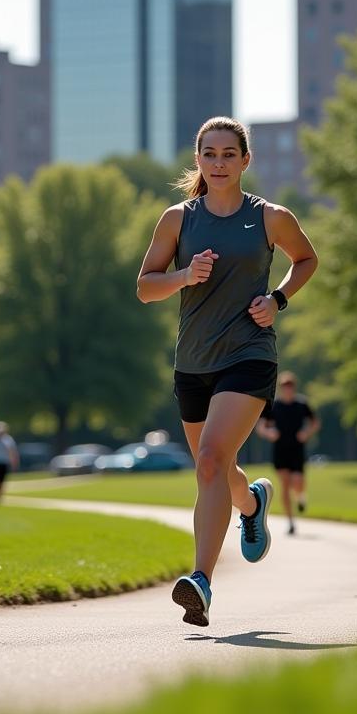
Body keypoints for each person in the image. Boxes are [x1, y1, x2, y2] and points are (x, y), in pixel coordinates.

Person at [137, 115, 318, 627]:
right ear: (198, 160)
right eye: (209, 154)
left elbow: (306, 259)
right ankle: (252, 501)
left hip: (249, 355)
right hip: (193, 363)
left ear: (245, 160)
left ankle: (201, 583)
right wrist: (182, 276)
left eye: (228, 154)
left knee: (212, 459)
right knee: (215, 468)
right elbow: (145, 286)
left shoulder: (269, 217)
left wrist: (278, 298)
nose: (218, 163)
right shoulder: (177, 220)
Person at [256, 371, 321, 534]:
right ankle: (291, 521)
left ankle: (300, 497)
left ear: (294, 387)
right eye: (285, 387)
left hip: (297, 449)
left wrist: (306, 433)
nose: (287, 389)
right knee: (285, 485)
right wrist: (269, 433)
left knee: (298, 482)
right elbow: (261, 426)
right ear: (281, 388)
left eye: (290, 386)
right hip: (280, 450)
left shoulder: (301, 404)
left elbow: (315, 423)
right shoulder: (274, 405)